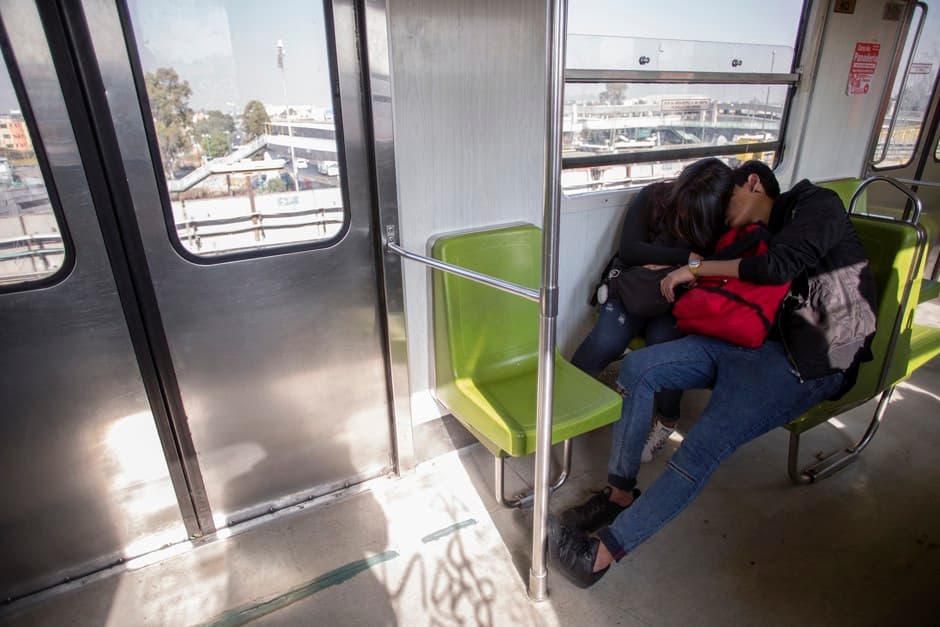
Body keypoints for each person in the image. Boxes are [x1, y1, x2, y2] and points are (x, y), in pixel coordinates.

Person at [550, 161, 877, 588]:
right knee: (638, 367)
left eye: (730, 198)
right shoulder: (744, 235)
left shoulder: (816, 204)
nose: (723, 210)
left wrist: (695, 268)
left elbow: (778, 266)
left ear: (754, 182)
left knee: (701, 445)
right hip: (756, 341)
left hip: (814, 358)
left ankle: (598, 557)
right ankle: (619, 493)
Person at [571, 158, 732, 463]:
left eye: (694, 213)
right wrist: (686, 257)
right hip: (634, 286)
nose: (686, 215)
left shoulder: (722, 220)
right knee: (606, 340)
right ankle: (564, 402)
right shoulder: (655, 197)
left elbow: (717, 264)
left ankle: (667, 420)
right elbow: (631, 250)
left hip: (677, 297)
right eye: (684, 206)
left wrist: (677, 266)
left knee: (663, 349)